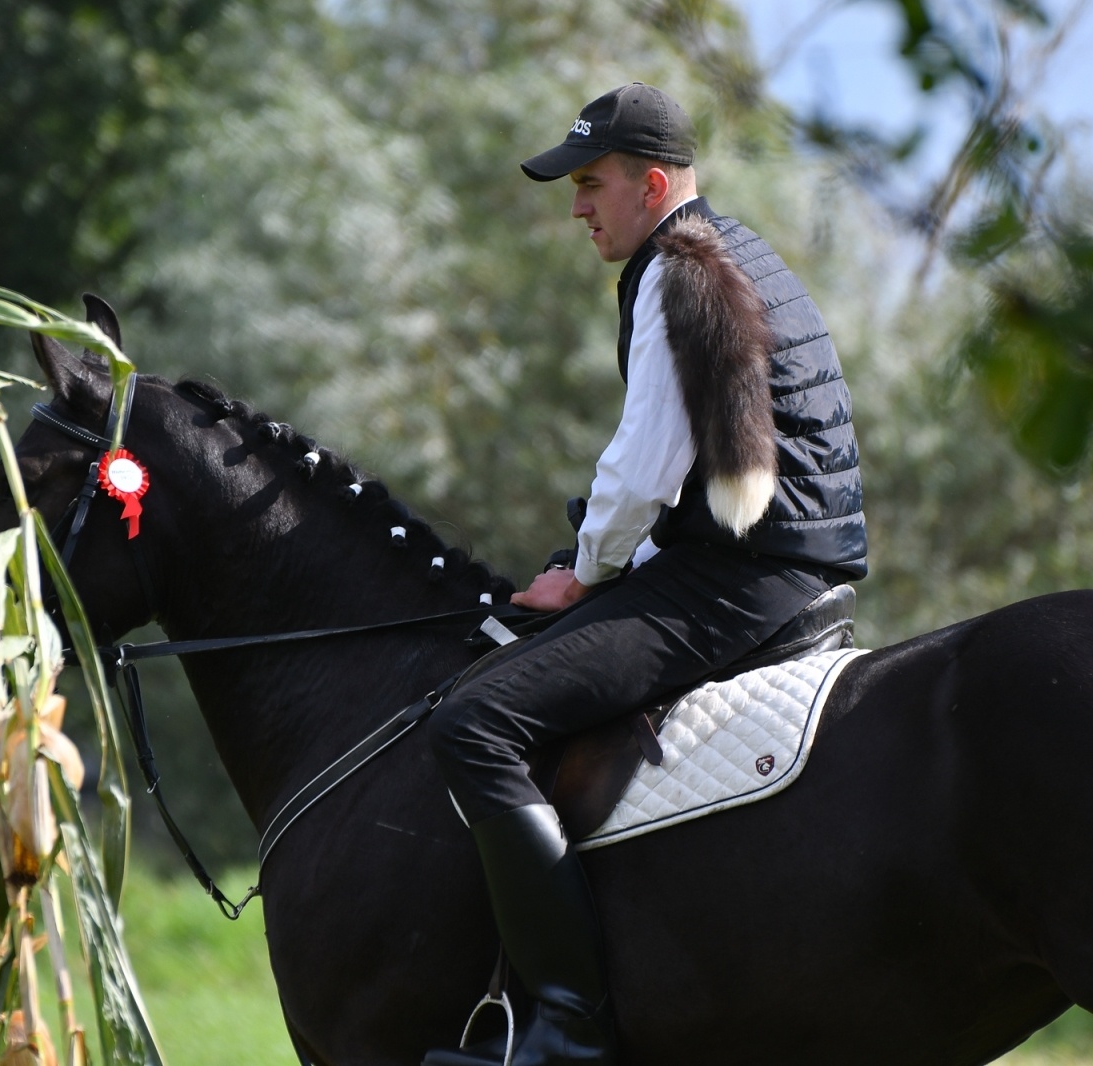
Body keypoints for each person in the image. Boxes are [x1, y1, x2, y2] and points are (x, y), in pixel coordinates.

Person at [423, 82, 867, 1066]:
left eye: (590, 184)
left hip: (745, 578)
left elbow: (641, 470)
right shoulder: (730, 250)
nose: (577, 207)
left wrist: (581, 572)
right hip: (776, 558)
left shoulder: (676, 273)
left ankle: (569, 1027)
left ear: (651, 183)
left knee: (473, 722)